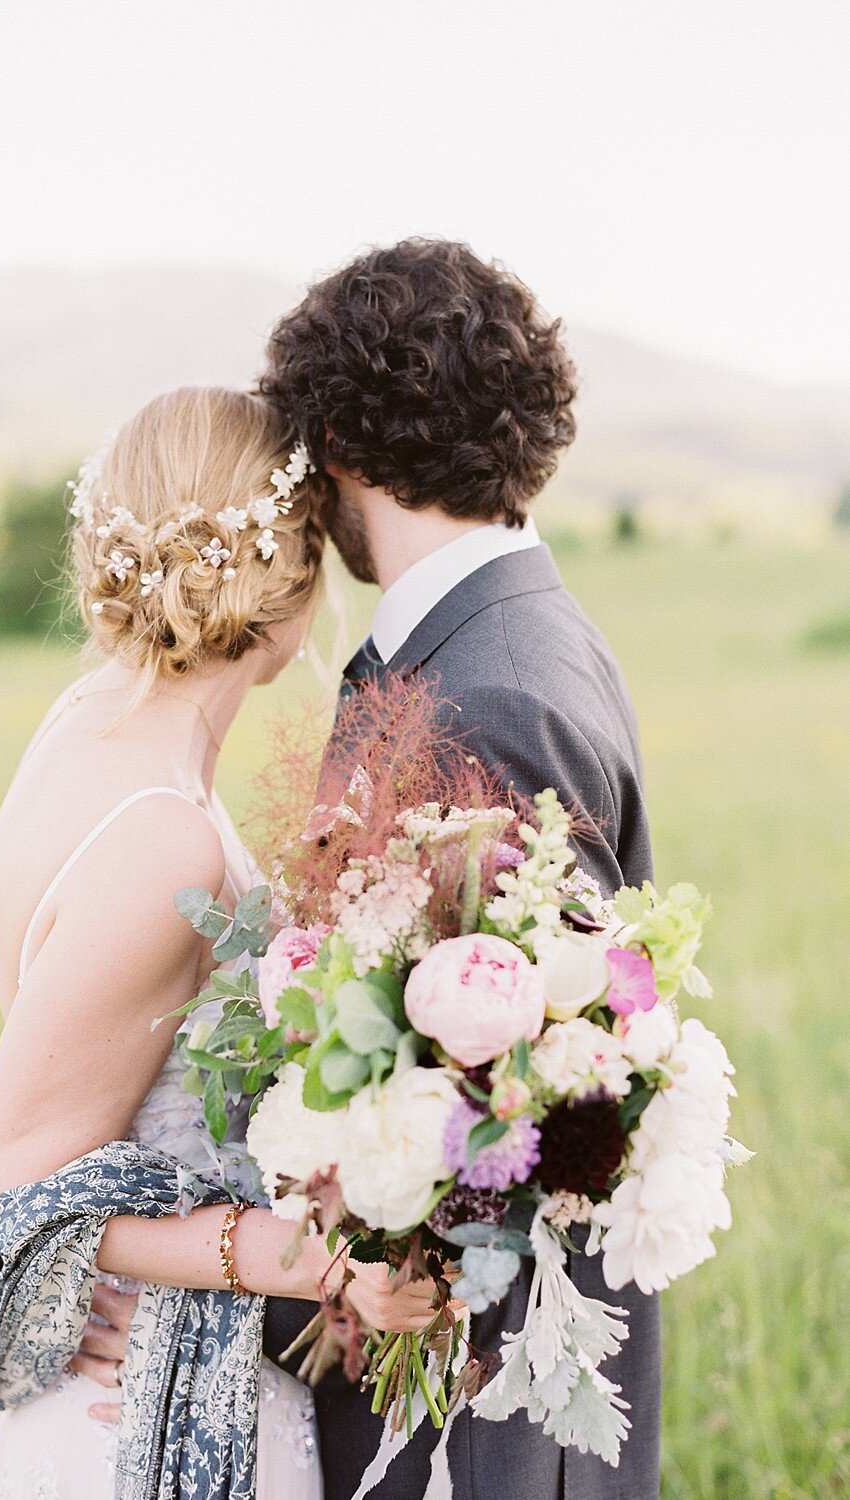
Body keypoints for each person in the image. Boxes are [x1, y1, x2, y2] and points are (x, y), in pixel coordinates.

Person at [0, 386, 441, 1500]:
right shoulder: (162, 840)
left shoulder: (88, 721)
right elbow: (17, 1172)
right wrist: (327, 1259)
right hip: (154, 1414)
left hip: (157, 1371)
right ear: (289, 583)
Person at [256, 238, 661, 1500]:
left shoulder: (482, 690)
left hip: (467, 1423)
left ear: (341, 442)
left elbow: (539, 1119)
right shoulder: (511, 634)